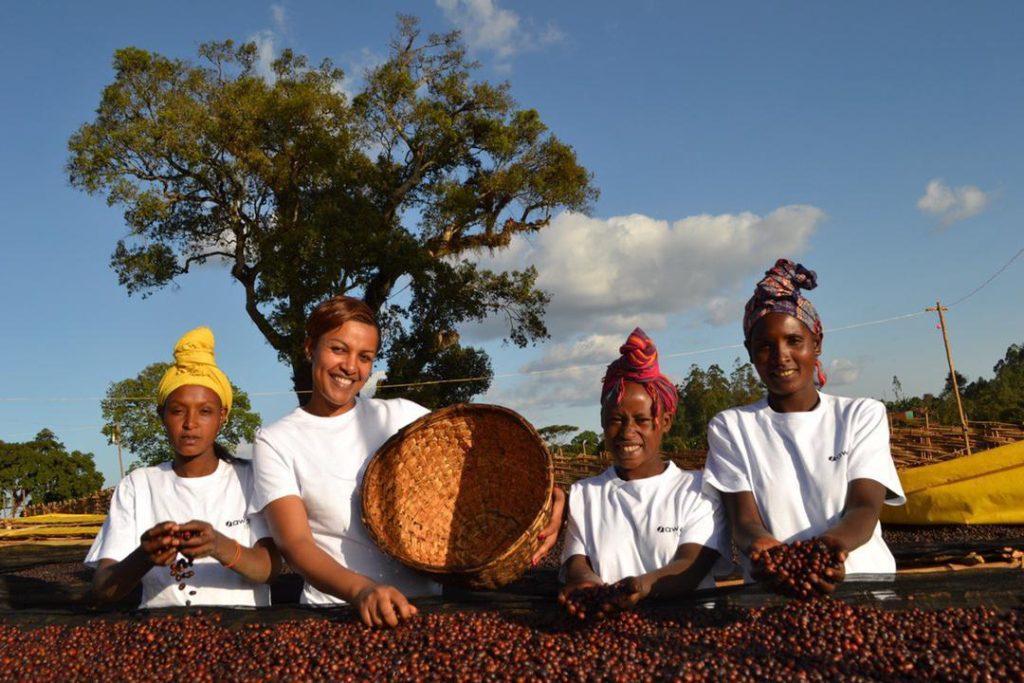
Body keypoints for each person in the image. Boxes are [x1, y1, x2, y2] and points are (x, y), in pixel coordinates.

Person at [251, 295, 565, 628]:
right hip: (338, 616)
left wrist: (552, 497)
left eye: (365, 357)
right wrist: (362, 591)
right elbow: (295, 543)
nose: (350, 367)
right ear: (309, 347)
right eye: (338, 349)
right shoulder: (277, 440)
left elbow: (485, 470)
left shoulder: (402, 416)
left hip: (425, 612)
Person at [703, 259, 906, 594]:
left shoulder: (860, 415)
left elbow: (864, 507)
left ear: (817, 342)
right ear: (749, 352)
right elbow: (744, 522)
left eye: (794, 341)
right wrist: (768, 550)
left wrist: (827, 550)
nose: (780, 355)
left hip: (864, 588)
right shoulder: (732, 427)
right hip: (776, 590)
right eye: (765, 346)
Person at [87, 327, 281, 608]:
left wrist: (217, 545)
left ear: (222, 415)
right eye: (178, 411)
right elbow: (105, 589)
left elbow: (269, 570)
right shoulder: (139, 486)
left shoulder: (250, 478)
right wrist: (144, 555)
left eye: (205, 411)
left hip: (242, 635)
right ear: (161, 415)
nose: (190, 423)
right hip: (161, 638)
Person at [558, 328, 728, 615]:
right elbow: (577, 561)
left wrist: (634, 588)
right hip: (608, 635)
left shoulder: (698, 490)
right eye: (615, 419)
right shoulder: (585, 494)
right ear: (602, 420)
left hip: (689, 629)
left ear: (665, 421)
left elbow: (690, 565)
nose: (627, 432)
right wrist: (587, 585)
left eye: (642, 420)